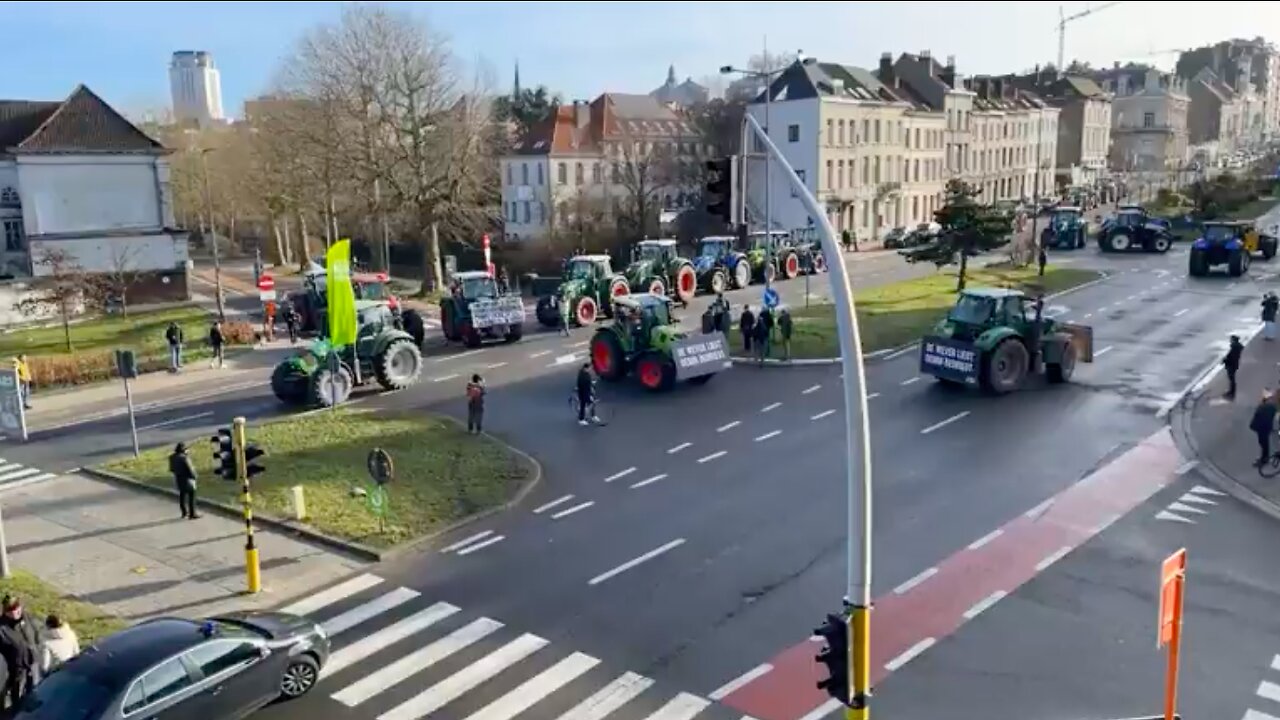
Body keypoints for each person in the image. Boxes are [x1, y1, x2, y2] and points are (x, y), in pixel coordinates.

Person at [0, 596, 41, 707]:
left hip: (34, 664)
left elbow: (36, 634)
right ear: (6, 611)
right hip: (18, 670)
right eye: (11, 610)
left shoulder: (27, 618)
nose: (15, 613)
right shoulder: (2, 629)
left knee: (36, 691)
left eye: (17, 608)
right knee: (17, 698)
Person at [169, 442, 199, 519]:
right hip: (188, 479)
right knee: (192, 496)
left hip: (179, 479)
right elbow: (190, 469)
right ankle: (192, 514)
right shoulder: (184, 458)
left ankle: (184, 512)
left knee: (182, 495)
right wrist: (195, 476)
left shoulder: (172, 457)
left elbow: (171, 469)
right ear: (183, 450)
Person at [1252, 391, 1278, 467]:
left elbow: (1258, 413)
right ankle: (1265, 457)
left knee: (1263, 443)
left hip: (1263, 427)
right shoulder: (1271, 406)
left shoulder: (1267, 406)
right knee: (1263, 442)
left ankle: (1265, 458)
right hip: (1265, 427)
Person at [1224, 334, 1244, 400]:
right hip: (1234, 365)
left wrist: (1225, 361)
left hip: (1231, 365)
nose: (1230, 341)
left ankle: (1232, 393)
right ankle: (1231, 392)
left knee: (1232, 380)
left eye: (1231, 339)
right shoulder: (1236, 347)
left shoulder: (1234, 348)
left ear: (1233, 340)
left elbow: (1231, 357)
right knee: (1232, 379)